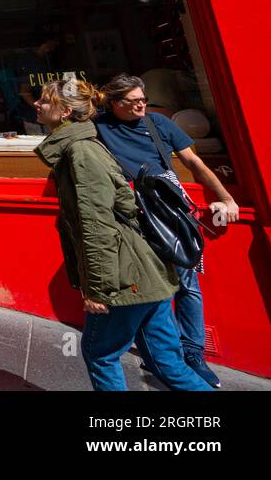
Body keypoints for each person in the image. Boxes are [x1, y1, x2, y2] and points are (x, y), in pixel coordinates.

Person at [34, 79, 211, 391]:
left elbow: (96, 224)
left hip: (125, 275)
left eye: (44, 101)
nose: (36, 105)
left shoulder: (81, 153)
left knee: (100, 354)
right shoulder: (86, 146)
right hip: (148, 273)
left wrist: (98, 289)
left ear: (63, 112)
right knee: (168, 362)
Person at [93, 73, 237, 388]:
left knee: (187, 284)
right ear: (115, 103)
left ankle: (193, 353)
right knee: (151, 287)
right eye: (134, 102)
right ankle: (163, 353)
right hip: (134, 216)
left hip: (172, 214)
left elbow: (194, 163)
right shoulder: (98, 126)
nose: (142, 106)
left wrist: (226, 198)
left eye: (143, 99)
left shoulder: (159, 124)